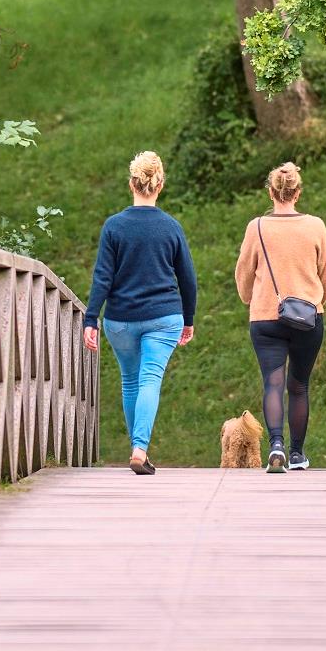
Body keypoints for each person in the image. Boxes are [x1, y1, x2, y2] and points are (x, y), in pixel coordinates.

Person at [82, 151, 197, 475]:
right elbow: (187, 279)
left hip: (120, 320)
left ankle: (138, 449)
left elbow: (103, 276)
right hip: (163, 318)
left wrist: (92, 318)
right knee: (149, 379)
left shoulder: (114, 227)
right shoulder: (171, 227)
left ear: (132, 183)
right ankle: (140, 448)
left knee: (131, 381)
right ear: (159, 185)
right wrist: (188, 320)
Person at [235, 162, 326, 473]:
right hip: (307, 316)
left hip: (266, 317)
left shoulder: (257, 227)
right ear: (298, 193)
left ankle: (275, 444)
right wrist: (318, 300)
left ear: (270, 192)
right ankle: (296, 455)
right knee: (299, 385)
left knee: (273, 383)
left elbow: (243, 273)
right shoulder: (315, 225)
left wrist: (252, 299)